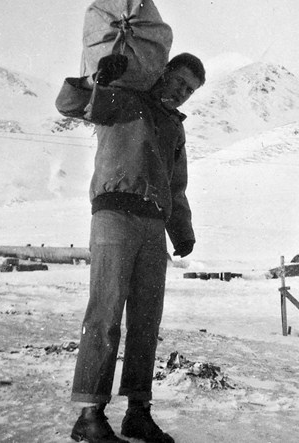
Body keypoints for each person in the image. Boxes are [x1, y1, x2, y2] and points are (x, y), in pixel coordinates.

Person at [55, 52, 205, 443]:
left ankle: (138, 412)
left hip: (154, 224)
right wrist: (95, 80)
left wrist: (182, 229)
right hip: (114, 215)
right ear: (164, 71)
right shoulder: (123, 98)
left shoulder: (174, 126)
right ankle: (90, 414)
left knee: (146, 321)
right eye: (179, 82)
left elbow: (176, 184)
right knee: (105, 312)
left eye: (190, 91)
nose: (182, 93)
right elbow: (68, 103)